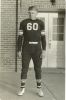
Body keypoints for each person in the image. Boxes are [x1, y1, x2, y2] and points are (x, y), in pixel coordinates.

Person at [17, 6, 46, 97]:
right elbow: (20, 37)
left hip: (37, 48)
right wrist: (19, 50)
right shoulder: (23, 22)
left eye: (33, 12)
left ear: (37, 13)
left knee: (38, 69)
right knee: (24, 68)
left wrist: (44, 50)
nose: (31, 14)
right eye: (29, 12)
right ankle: (22, 88)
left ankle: (39, 89)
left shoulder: (41, 23)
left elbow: (43, 38)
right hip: (26, 48)